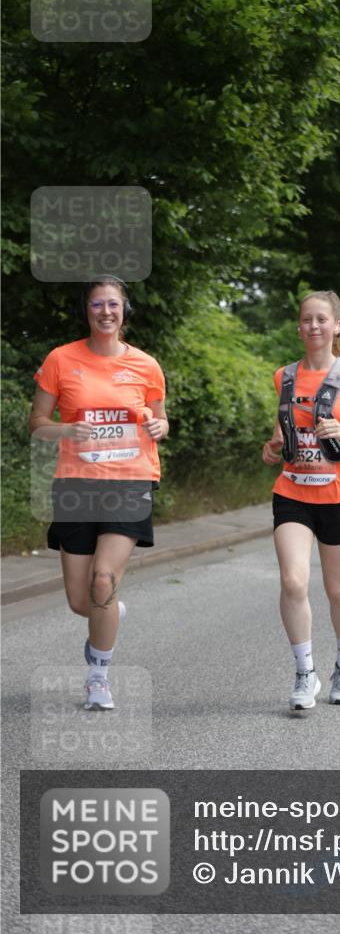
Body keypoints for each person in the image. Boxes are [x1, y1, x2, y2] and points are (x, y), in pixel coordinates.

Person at [29, 276, 168, 711]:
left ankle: (98, 677)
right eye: (96, 304)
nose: (105, 312)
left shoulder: (146, 365)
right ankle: (109, 616)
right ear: (86, 310)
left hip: (130, 481)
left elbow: (160, 421)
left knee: (103, 579)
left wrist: (160, 426)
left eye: (113, 304)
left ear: (125, 310)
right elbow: (36, 423)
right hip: (76, 485)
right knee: (79, 600)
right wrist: (66, 428)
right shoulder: (60, 359)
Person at [262, 291, 340, 711]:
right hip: (293, 493)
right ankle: (304, 673)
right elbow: (282, 438)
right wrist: (271, 449)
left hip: (338, 497)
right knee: (293, 581)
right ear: (299, 327)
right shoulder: (284, 376)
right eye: (306, 320)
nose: (313, 326)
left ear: (337, 326)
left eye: (322, 319)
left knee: (339, 591)